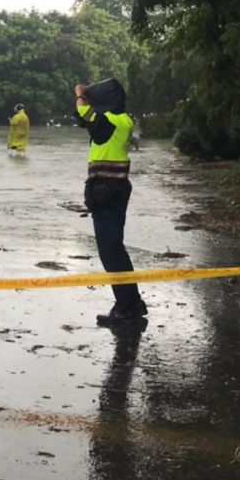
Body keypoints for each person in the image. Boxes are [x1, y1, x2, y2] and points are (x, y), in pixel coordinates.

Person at [75, 80, 146, 326]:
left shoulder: (109, 123)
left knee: (110, 251)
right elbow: (87, 119)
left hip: (105, 190)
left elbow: (82, 113)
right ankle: (131, 300)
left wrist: (80, 95)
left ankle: (127, 307)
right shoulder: (124, 120)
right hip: (116, 189)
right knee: (116, 248)